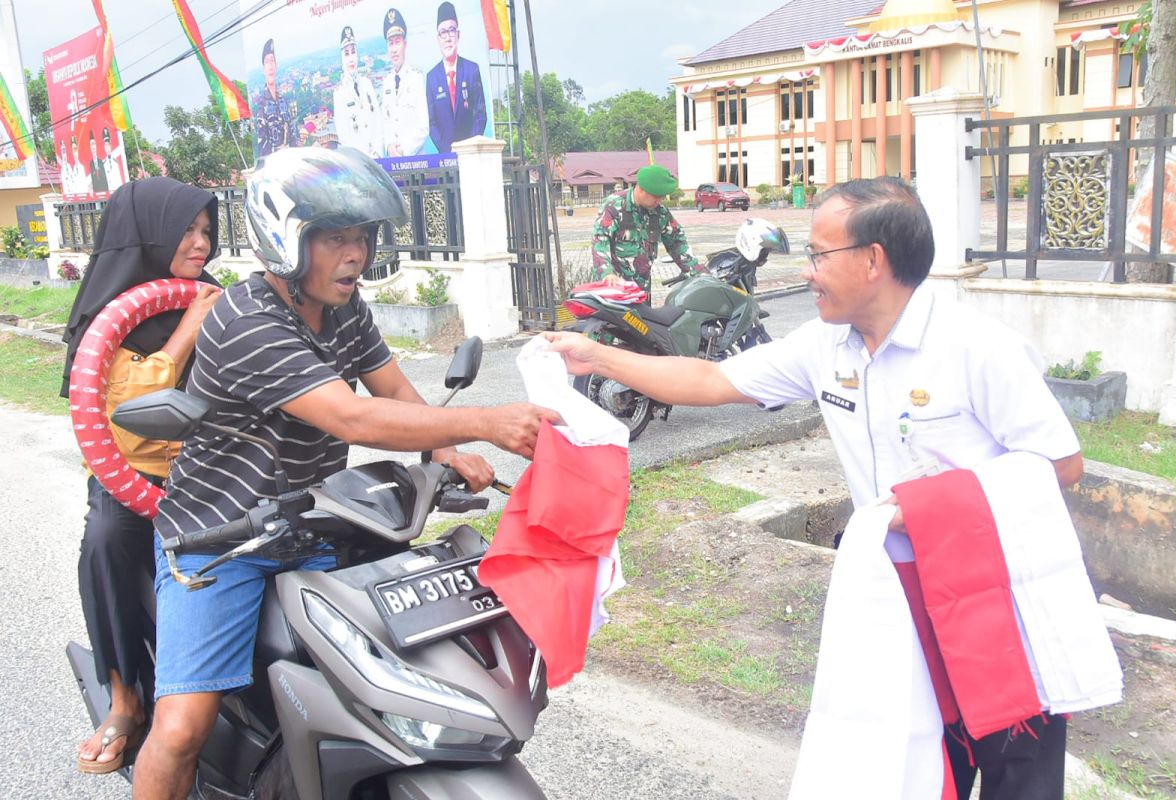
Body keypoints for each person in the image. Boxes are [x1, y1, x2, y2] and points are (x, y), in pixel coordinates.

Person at [548, 177, 1085, 800]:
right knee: (920, 765)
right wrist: (599, 357)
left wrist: (932, 507)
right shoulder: (827, 345)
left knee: (1019, 773)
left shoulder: (975, 349)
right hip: (897, 598)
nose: (808, 272)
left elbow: (1059, 463)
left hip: (995, 596)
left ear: (873, 260)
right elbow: (709, 379)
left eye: (818, 255)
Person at [131, 146, 558, 799]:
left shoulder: (343, 308)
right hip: (222, 539)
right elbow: (352, 418)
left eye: (361, 237)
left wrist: (445, 454)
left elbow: (392, 391)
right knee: (183, 726)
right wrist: (487, 421)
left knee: (401, 677)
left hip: (316, 526)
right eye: (334, 239)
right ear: (287, 240)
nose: (354, 255)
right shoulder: (246, 320)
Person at [61, 177, 224, 775]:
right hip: (131, 478)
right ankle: (124, 699)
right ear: (149, 235)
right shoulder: (107, 317)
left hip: (210, 474)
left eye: (207, 230)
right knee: (105, 540)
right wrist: (186, 334)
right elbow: (127, 423)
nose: (200, 242)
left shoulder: (219, 299)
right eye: (186, 229)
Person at [591, 164, 703, 299]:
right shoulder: (614, 206)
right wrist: (607, 273)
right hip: (615, 291)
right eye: (657, 196)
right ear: (641, 189)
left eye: (662, 196)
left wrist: (698, 272)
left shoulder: (659, 213)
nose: (660, 200)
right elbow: (600, 241)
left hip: (642, 290)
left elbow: (677, 243)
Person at [425, 1, 486, 153]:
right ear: (437, 38)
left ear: (458, 35)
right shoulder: (432, 77)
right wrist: (447, 149)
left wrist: (469, 148)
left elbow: (480, 115)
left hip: (471, 154)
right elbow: (431, 123)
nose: (448, 38)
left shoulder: (472, 70)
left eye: (451, 31)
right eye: (443, 33)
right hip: (445, 157)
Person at [379, 7, 430, 157]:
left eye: (397, 42)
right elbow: (385, 123)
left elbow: (423, 126)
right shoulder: (386, 83)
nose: (394, 49)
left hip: (416, 161)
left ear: (405, 45)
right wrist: (389, 146)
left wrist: (404, 150)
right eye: (391, 44)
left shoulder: (416, 78)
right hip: (394, 163)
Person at [332, 25, 382, 157]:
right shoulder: (339, 93)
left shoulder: (367, 84)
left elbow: (378, 120)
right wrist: (366, 159)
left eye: (353, 52)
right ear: (342, 58)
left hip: (378, 159)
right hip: (360, 163)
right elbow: (345, 137)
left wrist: (377, 152)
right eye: (347, 53)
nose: (351, 58)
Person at [254, 39, 293, 157]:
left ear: (276, 66)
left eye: (272, 61)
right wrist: (278, 151)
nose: (270, 65)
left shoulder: (283, 101)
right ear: (263, 69)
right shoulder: (261, 105)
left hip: (291, 158)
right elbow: (262, 145)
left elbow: (293, 132)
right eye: (267, 62)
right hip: (274, 163)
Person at [101, 128, 127, 192]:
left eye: (109, 144)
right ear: (104, 147)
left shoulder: (116, 162)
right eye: (106, 145)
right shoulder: (103, 164)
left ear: (111, 146)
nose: (108, 148)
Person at [88, 132, 109, 197]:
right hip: (95, 195)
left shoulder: (102, 162)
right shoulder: (90, 164)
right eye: (91, 144)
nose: (93, 147)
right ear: (90, 147)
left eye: (94, 144)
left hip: (105, 194)